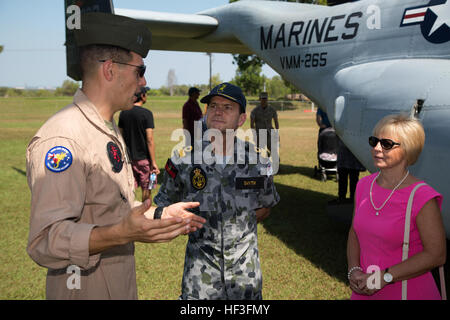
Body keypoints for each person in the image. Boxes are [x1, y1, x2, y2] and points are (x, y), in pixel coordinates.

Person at [25, 12, 205, 300]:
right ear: (110, 70)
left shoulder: (106, 129)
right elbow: (46, 240)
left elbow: (112, 207)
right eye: (139, 70)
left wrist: (159, 213)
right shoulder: (64, 139)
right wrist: (121, 233)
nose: (144, 81)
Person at [154, 83, 280, 300]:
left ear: (241, 119)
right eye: (213, 106)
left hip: (244, 278)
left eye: (227, 107)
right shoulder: (183, 159)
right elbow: (164, 206)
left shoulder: (259, 160)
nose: (218, 111)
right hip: (200, 278)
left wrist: (236, 228)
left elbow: (265, 207)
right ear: (206, 113)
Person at [347, 113, 446, 300]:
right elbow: (354, 232)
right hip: (364, 291)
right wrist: (354, 270)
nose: (376, 148)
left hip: (408, 292)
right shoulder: (363, 186)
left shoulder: (422, 197)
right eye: (374, 141)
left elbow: (437, 255)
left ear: (408, 149)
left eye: (386, 144)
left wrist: (384, 277)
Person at [119, 86, 159, 202]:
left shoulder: (123, 113)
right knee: (147, 188)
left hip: (129, 159)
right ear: (142, 96)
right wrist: (153, 162)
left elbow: (120, 137)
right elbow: (150, 139)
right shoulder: (147, 114)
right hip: (144, 160)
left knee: (130, 189)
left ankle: (130, 212)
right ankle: (145, 214)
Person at [336, 139, 365, 203]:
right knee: (345, 181)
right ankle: (343, 199)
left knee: (351, 181)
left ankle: (350, 199)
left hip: (350, 158)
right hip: (345, 158)